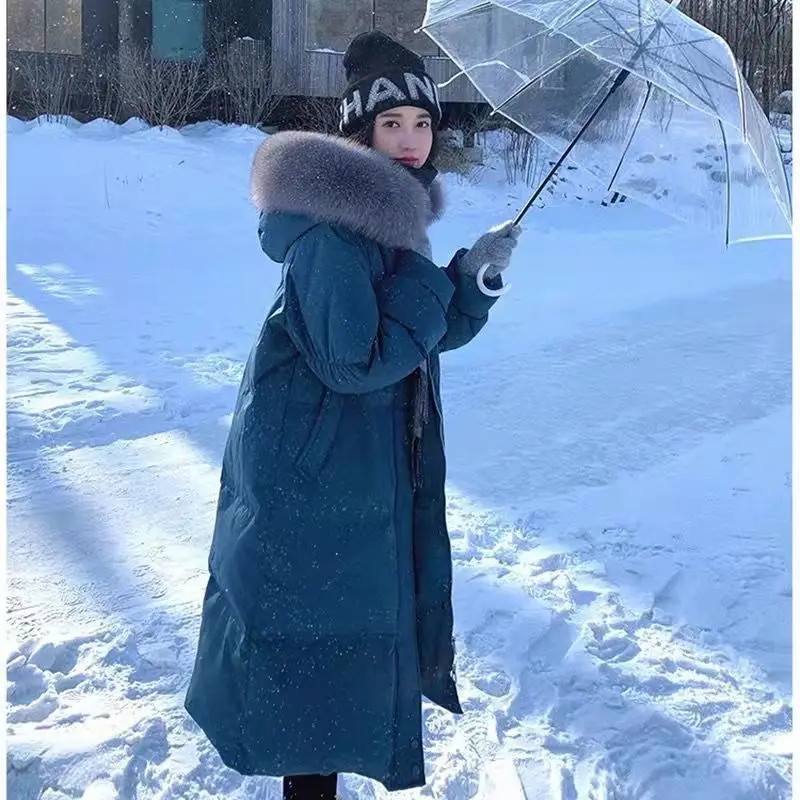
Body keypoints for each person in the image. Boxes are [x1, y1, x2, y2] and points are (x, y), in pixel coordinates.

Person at [184, 30, 520, 800]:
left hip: (348, 483)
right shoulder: (333, 237)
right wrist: (438, 284)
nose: (410, 141)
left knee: (333, 671)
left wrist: (472, 280)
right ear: (359, 132)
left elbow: (417, 340)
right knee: (315, 674)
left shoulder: (384, 226)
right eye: (392, 124)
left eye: (424, 125)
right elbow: (359, 359)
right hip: (313, 494)